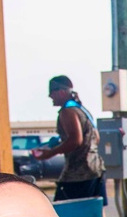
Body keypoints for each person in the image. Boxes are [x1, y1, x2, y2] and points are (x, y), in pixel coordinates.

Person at [34, 75, 107, 204]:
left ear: (61, 92)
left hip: (77, 174)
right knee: (97, 215)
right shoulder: (82, 110)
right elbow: (97, 138)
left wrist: (50, 153)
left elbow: (75, 140)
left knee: (64, 216)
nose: (49, 96)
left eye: (51, 92)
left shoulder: (67, 112)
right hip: (95, 169)